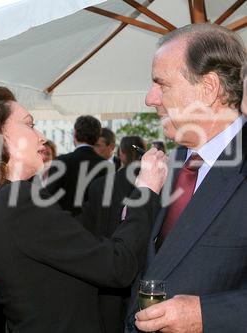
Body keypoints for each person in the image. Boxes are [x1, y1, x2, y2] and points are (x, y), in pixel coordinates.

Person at [0, 86, 168, 332]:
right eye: (29, 124)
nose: (41, 136)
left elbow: (69, 238)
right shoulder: (18, 200)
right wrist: (147, 191)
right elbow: (118, 267)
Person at [124, 24, 247, 333]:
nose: (150, 99)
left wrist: (207, 315)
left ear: (208, 88)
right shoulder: (173, 163)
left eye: (161, 84)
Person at [82, 135, 146, 333]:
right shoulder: (158, 184)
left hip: (106, 269)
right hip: (143, 268)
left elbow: (89, 229)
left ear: (122, 154)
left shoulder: (98, 185)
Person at [47, 115, 110, 215]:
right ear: (98, 137)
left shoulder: (61, 161)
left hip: (65, 223)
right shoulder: (106, 166)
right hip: (93, 225)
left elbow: (49, 197)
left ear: (75, 133)